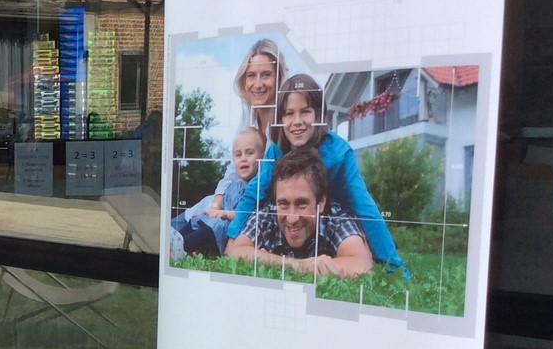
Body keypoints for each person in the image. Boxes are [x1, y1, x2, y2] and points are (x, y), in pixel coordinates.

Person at [226, 73, 405, 274]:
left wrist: (394, 266)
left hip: (329, 221)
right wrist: (233, 238)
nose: (297, 121)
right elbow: (254, 193)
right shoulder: (275, 151)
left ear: (318, 115)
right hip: (288, 226)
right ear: (280, 119)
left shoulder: (339, 152)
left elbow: (363, 206)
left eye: (305, 112)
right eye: (289, 113)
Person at [225, 147, 372, 278]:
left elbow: (362, 264)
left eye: (302, 204)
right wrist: (299, 265)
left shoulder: (336, 218)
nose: (292, 218)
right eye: (283, 204)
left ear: (321, 202)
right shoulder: (267, 215)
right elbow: (235, 252)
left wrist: (266, 259)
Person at [172, 127, 265, 256]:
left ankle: (181, 246)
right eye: (238, 155)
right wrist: (211, 213)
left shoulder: (258, 187)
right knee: (199, 219)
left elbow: (248, 215)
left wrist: (224, 214)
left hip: (230, 232)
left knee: (214, 227)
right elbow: (221, 207)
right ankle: (174, 240)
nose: (243, 158)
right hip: (218, 223)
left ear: (262, 157)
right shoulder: (233, 185)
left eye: (249, 153)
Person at [232, 37, 286, 137]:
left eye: (266, 75)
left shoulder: (288, 120)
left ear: (279, 78)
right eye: (251, 75)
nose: (258, 85)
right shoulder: (246, 119)